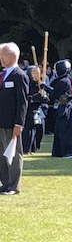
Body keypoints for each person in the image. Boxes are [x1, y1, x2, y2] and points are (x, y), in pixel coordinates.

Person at [0, 42, 29, 195]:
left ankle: (13, 185)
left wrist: (19, 122)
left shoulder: (19, 76)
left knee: (13, 153)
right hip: (1, 121)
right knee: (1, 154)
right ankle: (5, 182)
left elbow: (22, 101)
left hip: (12, 122)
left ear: (12, 56)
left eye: (3, 56)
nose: (1, 59)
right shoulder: (3, 75)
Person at [48, 60, 72, 158]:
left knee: (64, 130)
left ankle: (69, 151)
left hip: (66, 108)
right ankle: (59, 152)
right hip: (68, 107)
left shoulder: (63, 81)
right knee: (60, 130)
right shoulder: (68, 79)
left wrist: (44, 87)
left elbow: (54, 95)